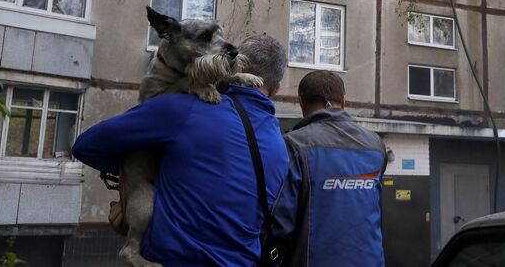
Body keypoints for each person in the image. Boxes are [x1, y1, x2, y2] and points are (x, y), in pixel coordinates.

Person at [72, 34, 290, 266]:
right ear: (276, 90)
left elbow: (87, 145)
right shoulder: (281, 147)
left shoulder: (186, 110)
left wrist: (136, 187)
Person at [269, 71, 387, 267]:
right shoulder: (375, 145)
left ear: (301, 102)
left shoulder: (294, 145)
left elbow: (280, 224)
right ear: (343, 101)